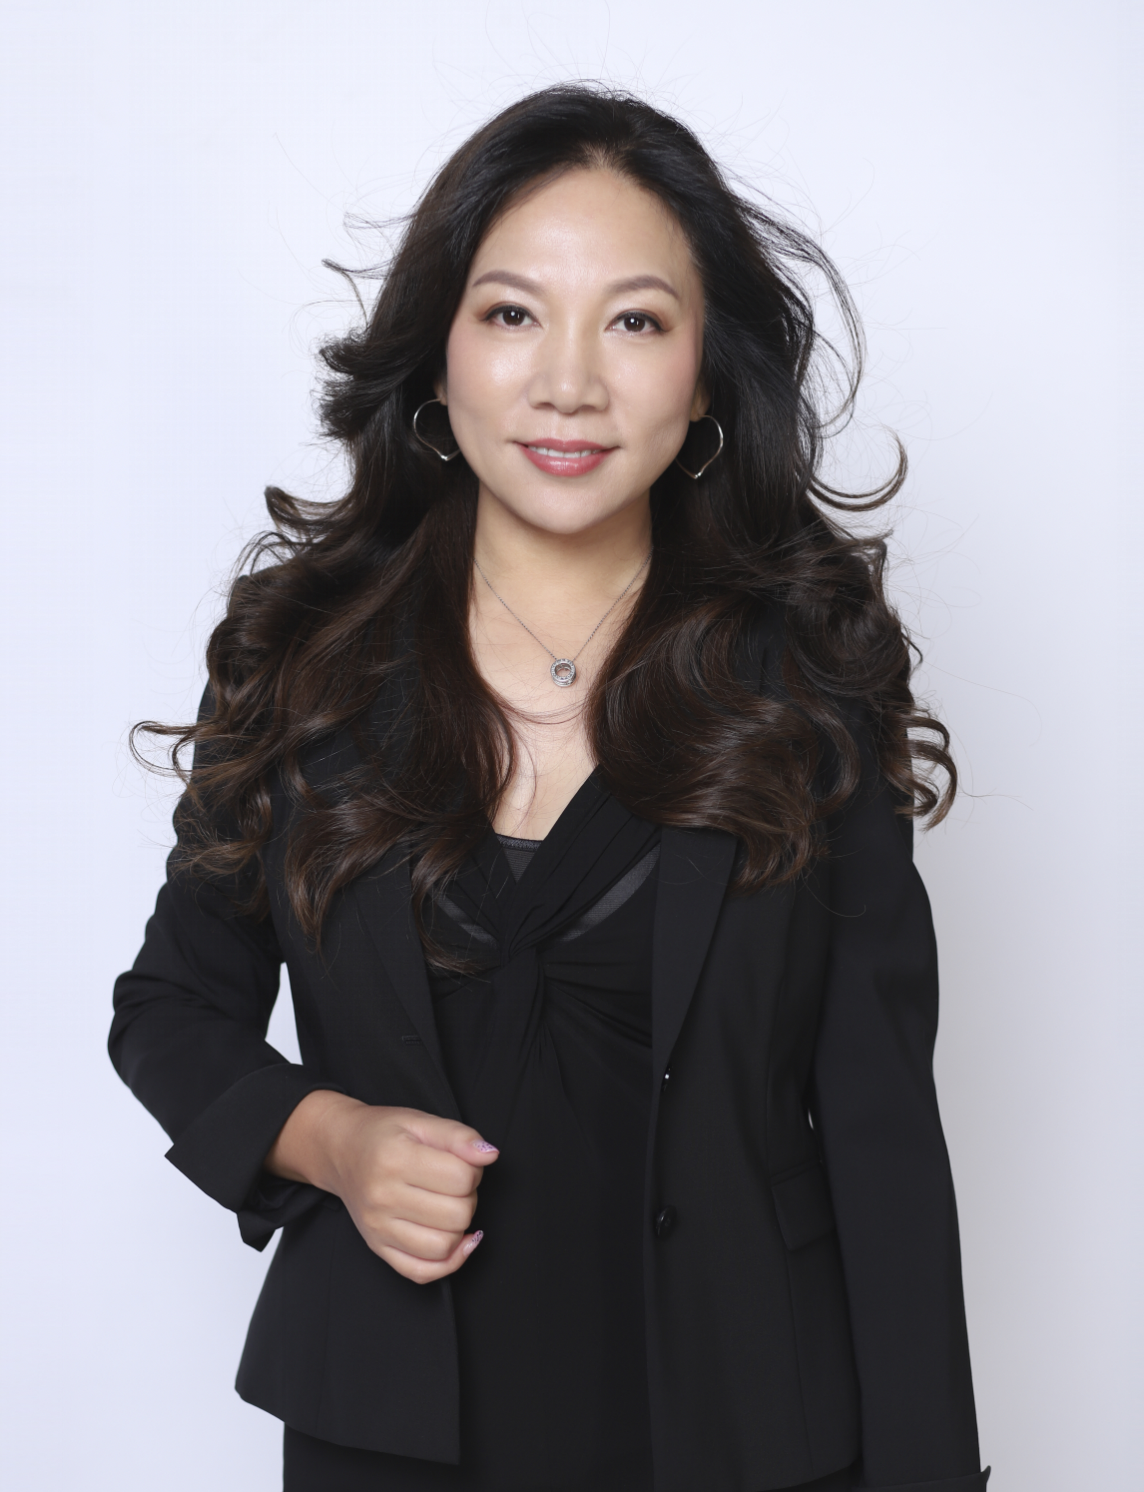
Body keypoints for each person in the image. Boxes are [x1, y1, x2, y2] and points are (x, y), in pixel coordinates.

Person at [110, 85, 989, 1492]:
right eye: (513, 313)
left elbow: (883, 1136)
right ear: (437, 353)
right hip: (390, 1433)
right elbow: (169, 1008)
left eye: (634, 322)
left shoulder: (806, 680)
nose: (569, 382)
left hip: (747, 1432)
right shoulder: (306, 661)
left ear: (706, 375)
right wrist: (330, 1141)